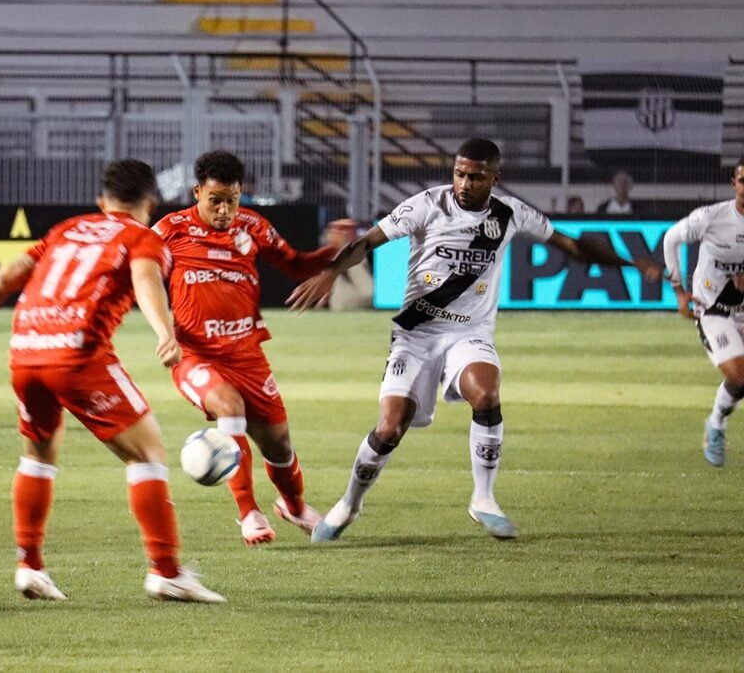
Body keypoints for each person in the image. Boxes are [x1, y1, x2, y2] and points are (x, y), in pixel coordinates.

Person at [289, 138, 663, 541]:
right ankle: (349, 503)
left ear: (494, 178)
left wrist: (628, 261)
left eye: (476, 177)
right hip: (416, 333)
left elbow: (571, 246)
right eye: (460, 174)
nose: (465, 183)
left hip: (469, 332)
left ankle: (483, 499)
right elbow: (367, 242)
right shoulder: (426, 205)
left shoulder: (511, 214)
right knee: (391, 426)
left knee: (485, 394)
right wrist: (330, 271)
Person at [0, 158, 224, 603]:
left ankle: (29, 566)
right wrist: (166, 333)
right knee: (148, 452)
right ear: (150, 201)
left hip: (25, 350)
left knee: (38, 454)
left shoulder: (65, 230)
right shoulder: (142, 237)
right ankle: (166, 571)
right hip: (76, 354)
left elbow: (5, 277)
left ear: (101, 200)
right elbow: (146, 281)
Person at [152, 150, 340, 546]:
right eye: (215, 200)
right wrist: (162, 330)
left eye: (232, 200)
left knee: (279, 444)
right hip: (195, 355)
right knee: (228, 408)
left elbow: (296, 265)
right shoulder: (170, 229)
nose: (223, 210)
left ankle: (293, 505)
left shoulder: (253, 226)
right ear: (197, 192)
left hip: (247, 354)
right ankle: (248, 512)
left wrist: (334, 251)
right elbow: (141, 272)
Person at [662, 157, 744, 468]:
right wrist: (679, 291)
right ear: (733, 184)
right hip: (713, 310)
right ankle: (716, 424)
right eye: (742, 181)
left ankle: (718, 418)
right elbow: (671, 239)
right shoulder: (713, 218)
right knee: (739, 374)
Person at [321, 218, 374, 310]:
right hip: (342, 308)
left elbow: (368, 293)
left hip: (359, 306)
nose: (344, 233)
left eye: (348, 230)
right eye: (339, 230)